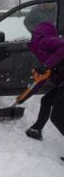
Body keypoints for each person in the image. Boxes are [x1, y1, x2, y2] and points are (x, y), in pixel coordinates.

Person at [25, 22, 64, 154]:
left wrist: (47, 65)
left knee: (57, 117)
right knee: (46, 100)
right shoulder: (42, 48)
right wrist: (23, 97)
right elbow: (41, 79)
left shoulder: (44, 42)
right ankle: (36, 129)